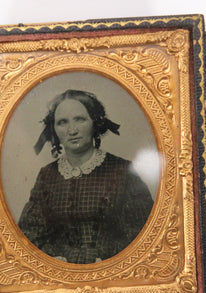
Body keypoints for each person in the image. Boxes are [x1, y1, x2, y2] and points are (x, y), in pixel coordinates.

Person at [18, 89, 154, 264]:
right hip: (61, 273)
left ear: (95, 123)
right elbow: (30, 233)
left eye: (80, 119)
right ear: (54, 130)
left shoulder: (123, 170)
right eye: (62, 122)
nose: (72, 130)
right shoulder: (47, 175)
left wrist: (105, 257)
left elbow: (141, 232)